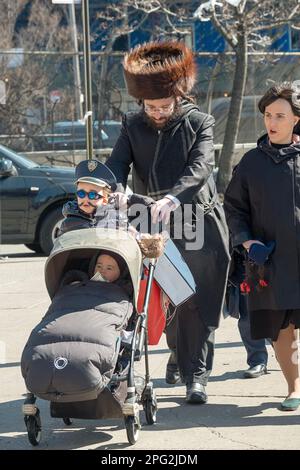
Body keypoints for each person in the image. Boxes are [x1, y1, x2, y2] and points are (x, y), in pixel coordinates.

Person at [106, 40, 230, 404]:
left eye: (164, 106)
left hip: (199, 221)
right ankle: (178, 354)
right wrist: (112, 187)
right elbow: (117, 164)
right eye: (150, 106)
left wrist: (174, 197)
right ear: (140, 103)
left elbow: (201, 167)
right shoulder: (132, 125)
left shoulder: (199, 123)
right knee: (169, 300)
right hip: (153, 224)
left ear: (178, 97)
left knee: (201, 301)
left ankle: (198, 376)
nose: (157, 113)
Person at [224, 82, 300, 411]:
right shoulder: (251, 163)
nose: (272, 121)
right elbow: (234, 208)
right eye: (268, 115)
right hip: (268, 260)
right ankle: (294, 388)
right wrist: (247, 240)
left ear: (296, 119)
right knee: (282, 328)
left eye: (280, 115)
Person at [227, 251, 268, 378]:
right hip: (242, 269)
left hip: (269, 261)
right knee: (248, 318)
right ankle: (258, 360)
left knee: (277, 318)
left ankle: (284, 353)